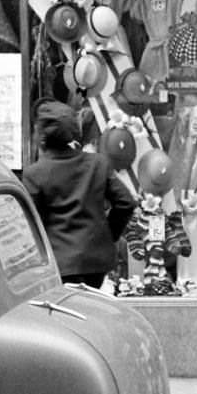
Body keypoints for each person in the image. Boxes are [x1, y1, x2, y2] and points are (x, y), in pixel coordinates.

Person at [21, 100, 136, 288]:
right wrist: (107, 235)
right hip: (96, 261)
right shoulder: (97, 164)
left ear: (42, 137)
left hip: (58, 262)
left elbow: (30, 222)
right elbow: (126, 203)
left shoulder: (35, 174)